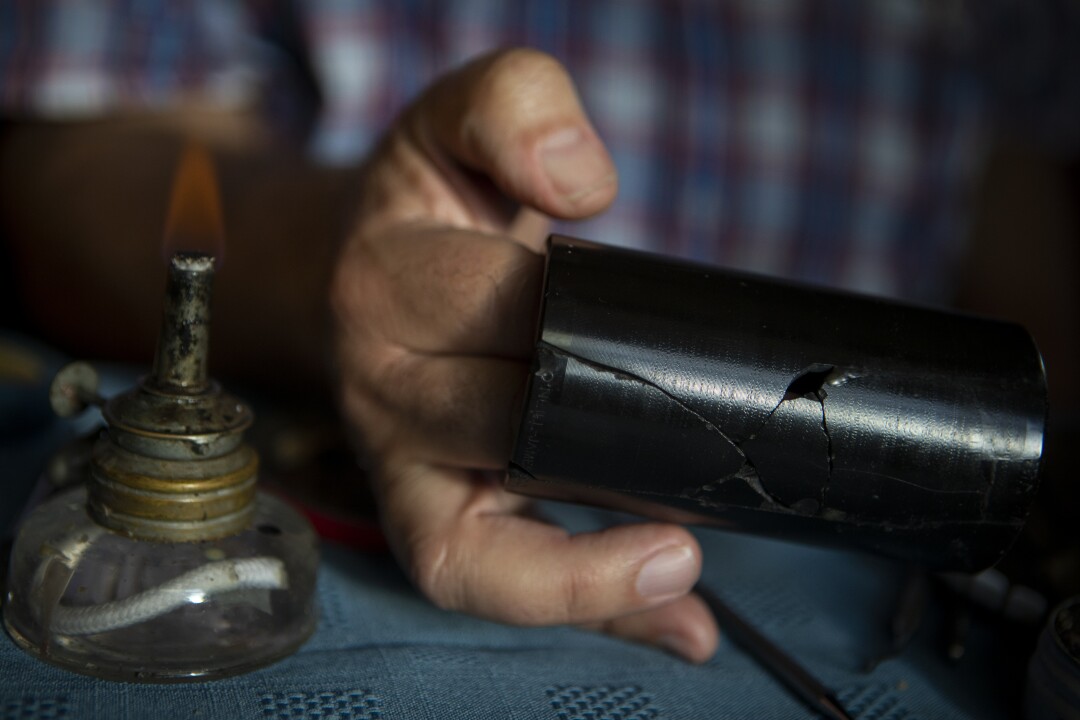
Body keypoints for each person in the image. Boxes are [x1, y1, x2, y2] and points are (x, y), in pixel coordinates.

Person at [1, 0, 1077, 666]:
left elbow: (1031, 316)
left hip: (907, 588)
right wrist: (335, 259)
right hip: (346, 494)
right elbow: (75, 166)